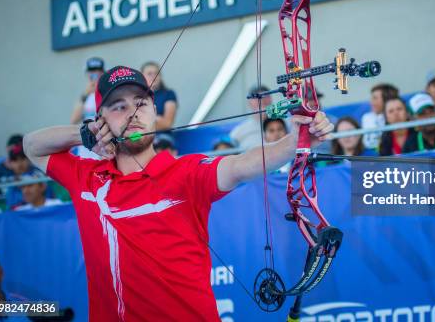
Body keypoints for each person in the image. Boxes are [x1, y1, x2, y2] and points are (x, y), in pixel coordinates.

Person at [23, 65, 334, 322]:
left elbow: (242, 165)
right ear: (101, 118)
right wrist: (82, 135)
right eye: (119, 107)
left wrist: (299, 140)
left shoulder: (186, 173)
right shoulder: (87, 178)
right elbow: (31, 146)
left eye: (141, 103)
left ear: (155, 111)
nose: (133, 113)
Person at [229, 85, 272, 150]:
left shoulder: (286, 123)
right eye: (256, 97)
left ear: (270, 99)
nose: (261, 100)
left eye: (265, 95)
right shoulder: (239, 131)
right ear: (249, 102)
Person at [141, 61, 178, 131]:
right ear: (142, 76)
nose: (153, 76)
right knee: (128, 139)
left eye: (156, 73)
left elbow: (167, 123)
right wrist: (157, 118)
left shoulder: (169, 94)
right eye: (149, 74)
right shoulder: (138, 95)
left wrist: (146, 121)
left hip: (161, 136)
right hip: (141, 135)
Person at [361, 84, 399, 149]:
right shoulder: (366, 117)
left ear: (386, 99)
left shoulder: (397, 117)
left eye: (375, 98)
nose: (371, 102)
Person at [70, 57, 105, 124]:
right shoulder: (85, 95)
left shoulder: (107, 91)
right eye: (92, 71)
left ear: (103, 73)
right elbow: (74, 120)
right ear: (87, 73)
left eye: (98, 71)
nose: (95, 74)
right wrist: (86, 94)